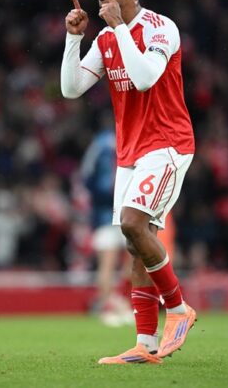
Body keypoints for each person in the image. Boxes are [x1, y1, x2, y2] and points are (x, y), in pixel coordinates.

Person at [61, 0, 196, 364]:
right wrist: (74, 38)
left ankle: (177, 309)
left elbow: (144, 77)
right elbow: (71, 89)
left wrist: (119, 27)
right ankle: (146, 344)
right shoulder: (103, 39)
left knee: (136, 224)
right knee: (135, 243)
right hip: (130, 153)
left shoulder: (160, 27)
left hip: (168, 144)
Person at [80, 125, 132, 327]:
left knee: (108, 264)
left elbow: (86, 175)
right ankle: (121, 304)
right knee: (132, 261)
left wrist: (99, 197)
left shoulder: (99, 144)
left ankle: (110, 306)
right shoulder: (131, 135)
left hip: (104, 213)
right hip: (127, 209)